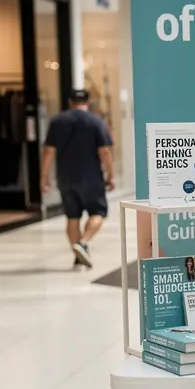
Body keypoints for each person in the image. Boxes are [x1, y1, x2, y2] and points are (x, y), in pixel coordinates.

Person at [40, 88, 114, 268]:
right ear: (88, 103)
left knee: (72, 217)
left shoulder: (58, 121)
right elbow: (104, 151)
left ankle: (78, 255)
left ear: (70, 102)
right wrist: (110, 174)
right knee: (98, 212)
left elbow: (49, 151)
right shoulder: (96, 121)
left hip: (65, 177)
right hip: (91, 177)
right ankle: (83, 243)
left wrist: (43, 177)